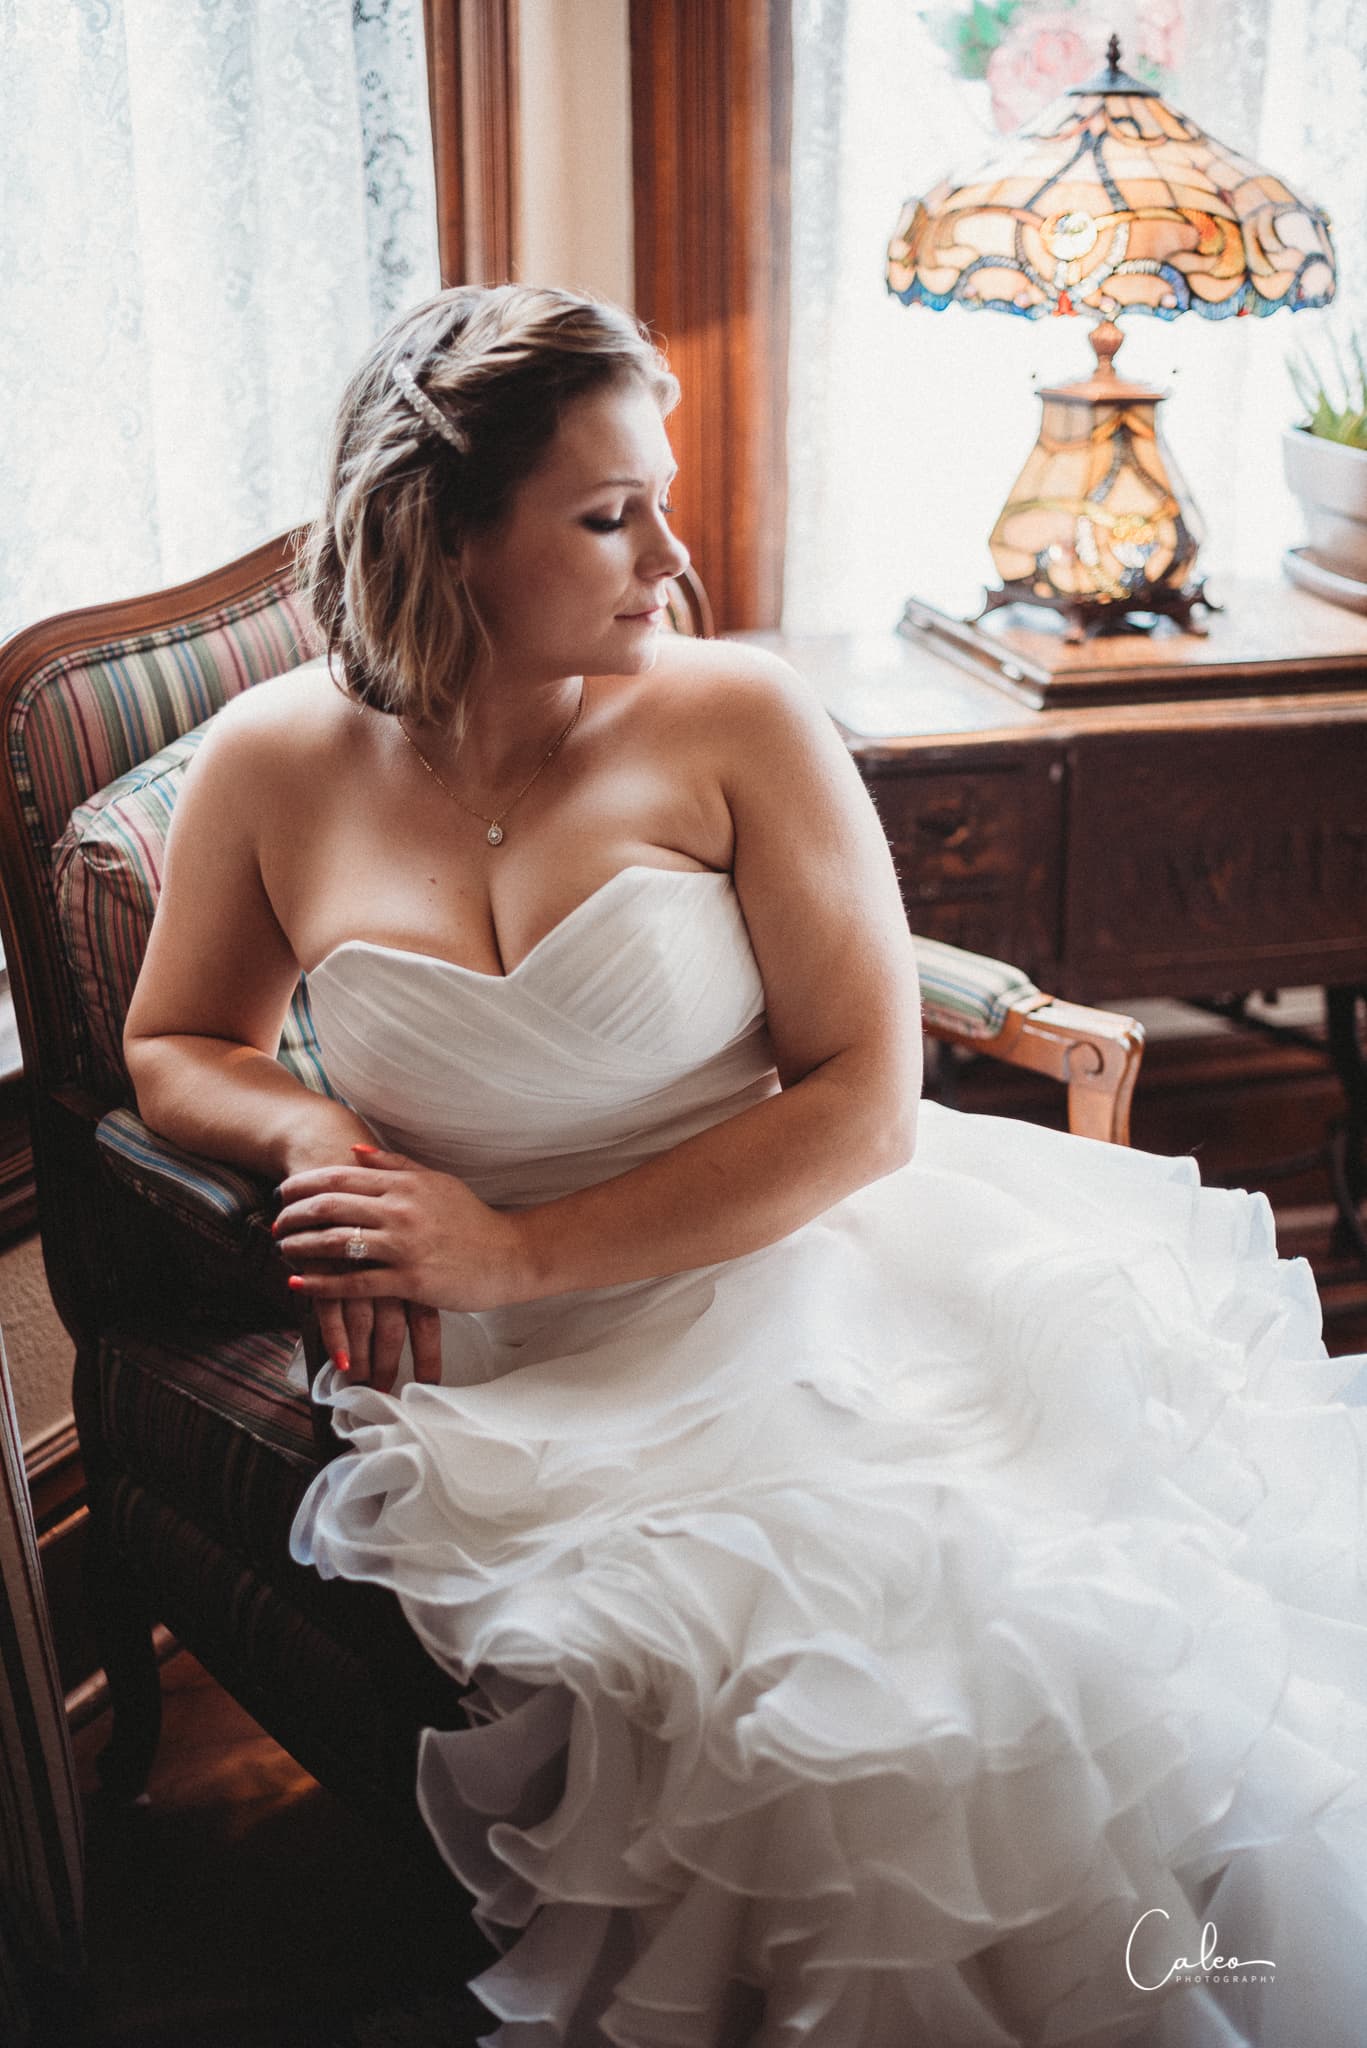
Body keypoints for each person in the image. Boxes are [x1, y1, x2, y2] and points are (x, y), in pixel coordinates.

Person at [124, 283, 1367, 2048]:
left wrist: (512, 1251)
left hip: (805, 1276)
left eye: (662, 497)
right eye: (608, 514)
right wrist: (313, 1123)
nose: (670, 559)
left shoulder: (737, 723)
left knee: (972, 1687)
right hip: (509, 1387)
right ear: (445, 535)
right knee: (720, 1695)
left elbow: (865, 1097)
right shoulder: (272, 767)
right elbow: (176, 1047)